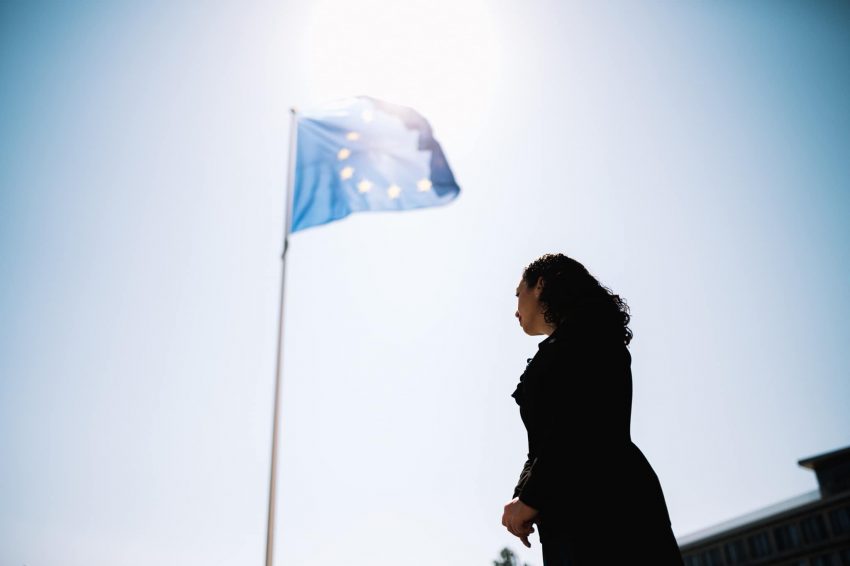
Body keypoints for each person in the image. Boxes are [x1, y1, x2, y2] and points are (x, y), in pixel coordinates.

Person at [500, 253, 685, 565]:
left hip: (610, 508)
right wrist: (523, 496)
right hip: (570, 514)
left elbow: (578, 426)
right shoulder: (562, 348)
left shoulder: (589, 338)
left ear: (540, 285)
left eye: (519, 294)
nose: (515, 309)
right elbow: (543, 442)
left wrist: (530, 497)